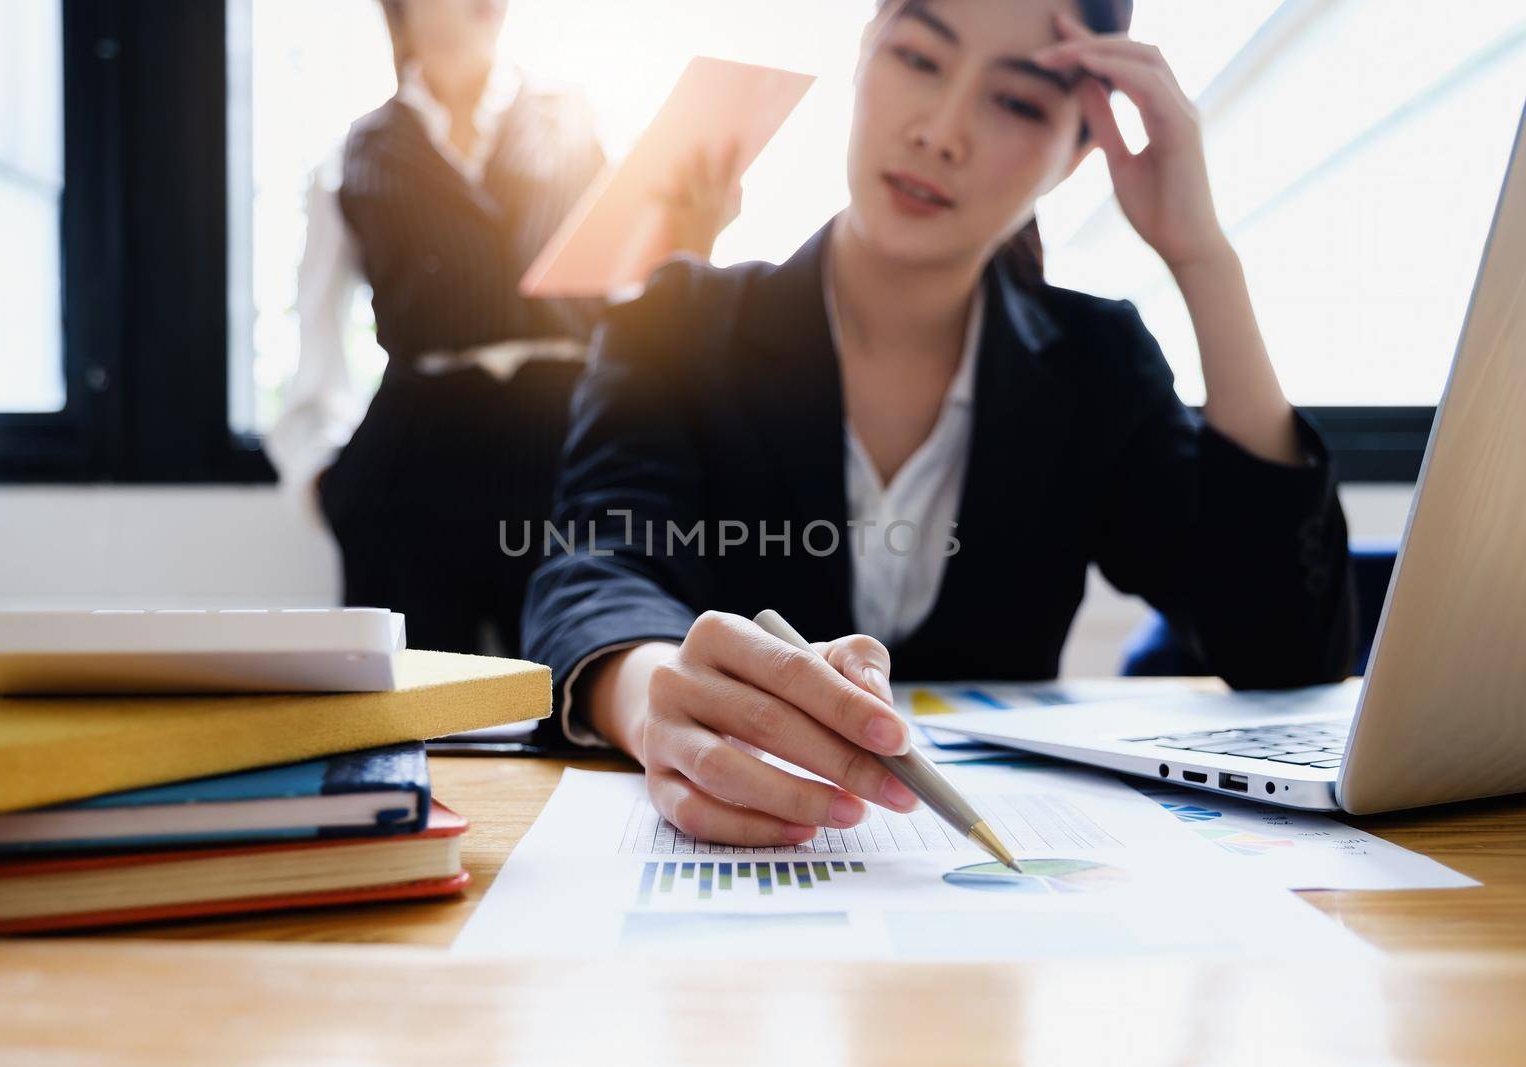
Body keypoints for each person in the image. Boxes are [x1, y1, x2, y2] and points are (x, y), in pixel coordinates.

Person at [523, 0, 1356, 845]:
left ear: (1078, 154)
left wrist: (1202, 257)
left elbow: (1285, 650)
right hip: (744, 876)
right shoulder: (682, 321)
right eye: (920, 58)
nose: (941, 131)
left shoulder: (1095, 364)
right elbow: (597, 564)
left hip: (991, 893)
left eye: (1017, 102)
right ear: (864, 55)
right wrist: (654, 694)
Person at [267, 0, 740, 655]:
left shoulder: (577, 119)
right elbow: (316, 345)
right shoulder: (354, 153)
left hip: (563, 439)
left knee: (576, 683)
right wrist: (325, 479)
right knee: (412, 713)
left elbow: (634, 302)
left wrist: (693, 243)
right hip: (413, 460)